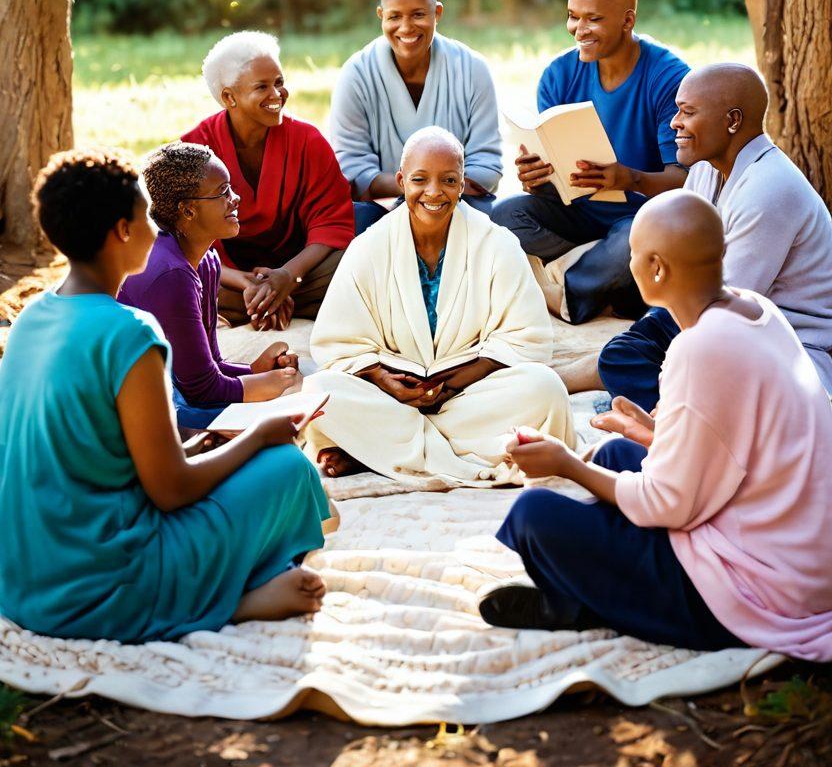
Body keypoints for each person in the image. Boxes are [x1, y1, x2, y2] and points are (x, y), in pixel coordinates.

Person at [479, 190, 832, 661]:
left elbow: (668, 504)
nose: (630, 267)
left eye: (633, 257)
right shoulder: (755, 310)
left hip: (759, 588)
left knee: (534, 516)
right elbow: (739, 441)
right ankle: (594, 595)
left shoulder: (700, 348)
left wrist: (565, 464)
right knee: (615, 455)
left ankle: (586, 600)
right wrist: (656, 434)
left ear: (658, 269)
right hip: (799, 555)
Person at [0, 150, 330, 644]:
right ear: (121, 231)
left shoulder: (29, 320)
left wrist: (208, 443)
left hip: (23, 583)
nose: (157, 228)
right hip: (103, 586)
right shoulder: (130, 334)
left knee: (238, 461)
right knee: (287, 468)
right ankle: (232, 599)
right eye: (145, 215)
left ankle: (239, 585)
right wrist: (259, 435)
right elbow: (171, 490)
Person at [304, 127, 574, 485]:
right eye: (420, 179)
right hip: (392, 399)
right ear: (401, 181)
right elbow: (337, 343)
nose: (434, 192)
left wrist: (458, 381)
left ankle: (378, 451)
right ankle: (446, 447)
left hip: (469, 396)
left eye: (448, 180)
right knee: (320, 393)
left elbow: (528, 338)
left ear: (463, 184)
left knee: (544, 387)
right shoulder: (368, 248)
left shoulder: (498, 244)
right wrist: (384, 380)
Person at [596, 63, 832, 412]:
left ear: (732, 121)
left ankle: (686, 424)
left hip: (785, 347)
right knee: (621, 356)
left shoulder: (770, 189)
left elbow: (722, 304)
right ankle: (680, 414)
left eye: (687, 112)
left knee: (662, 362)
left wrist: (675, 352)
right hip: (726, 320)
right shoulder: (706, 170)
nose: (675, 122)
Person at [492, 0, 688, 325]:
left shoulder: (668, 77)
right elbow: (554, 170)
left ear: (627, 20)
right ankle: (607, 278)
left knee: (633, 238)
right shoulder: (559, 75)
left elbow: (685, 180)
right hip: (577, 212)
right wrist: (535, 177)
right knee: (503, 215)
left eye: (593, 19)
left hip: (638, 216)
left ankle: (570, 295)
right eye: (572, 16)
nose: (579, 30)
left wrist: (628, 179)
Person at [119, 143, 303, 430]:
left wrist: (253, 372)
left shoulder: (206, 259)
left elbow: (208, 366)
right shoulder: (170, 273)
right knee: (273, 423)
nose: (236, 198)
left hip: (168, 385)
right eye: (223, 192)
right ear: (188, 210)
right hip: (127, 396)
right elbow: (200, 391)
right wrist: (262, 386)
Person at [183, 30, 354, 329]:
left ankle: (263, 304)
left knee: (356, 262)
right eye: (262, 87)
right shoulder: (196, 149)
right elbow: (184, 237)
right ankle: (265, 303)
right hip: (228, 278)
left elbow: (331, 223)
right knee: (181, 276)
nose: (277, 95)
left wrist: (288, 276)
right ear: (228, 97)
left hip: (301, 271)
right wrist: (249, 284)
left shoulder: (307, 140)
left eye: (279, 82)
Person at [329, 0, 502, 233]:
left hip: (460, 204)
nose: (406, 27)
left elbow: (486, 164)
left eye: (418, 14)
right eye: (394, 16)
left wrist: (436, 194)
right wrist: (417, 191)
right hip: (386, 211)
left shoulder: (472, 69)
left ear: (438, 13)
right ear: (380, 15)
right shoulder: (356, 75)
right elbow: (351, 168)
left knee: (503, 217)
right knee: (353, 218)